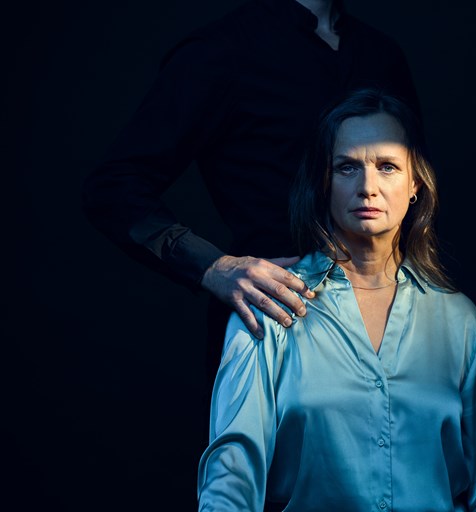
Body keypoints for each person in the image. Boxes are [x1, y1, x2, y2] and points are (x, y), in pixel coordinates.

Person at [197, 88, 476, 511]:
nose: (368, 187)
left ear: (415, 182)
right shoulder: (269, 304)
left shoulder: (459, 321)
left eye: (387, 166)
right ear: (323, 183)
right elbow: (231, 477)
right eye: (347, 167)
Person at [81, 0, 422, 387]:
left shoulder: (382, 54)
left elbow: (414, 181)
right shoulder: (221, 51)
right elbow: (113, 187)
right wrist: (212, 266)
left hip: (395, 324)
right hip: (276, 325)